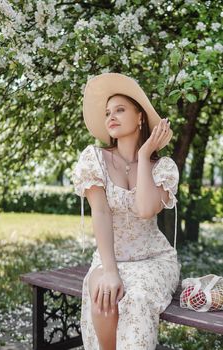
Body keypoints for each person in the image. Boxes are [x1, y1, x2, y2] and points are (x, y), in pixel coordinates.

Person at [71, 72, 181, 350]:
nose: (111, 116)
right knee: (104, 295)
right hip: (110, 257)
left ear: (140, 117)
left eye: (120, 109)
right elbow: (101, 213)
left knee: (137, 298)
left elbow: (145, 209)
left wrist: (144, 156)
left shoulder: (163, 167)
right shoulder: (93, 158)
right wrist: (109, 271)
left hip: (153, 259)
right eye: (108, 112)